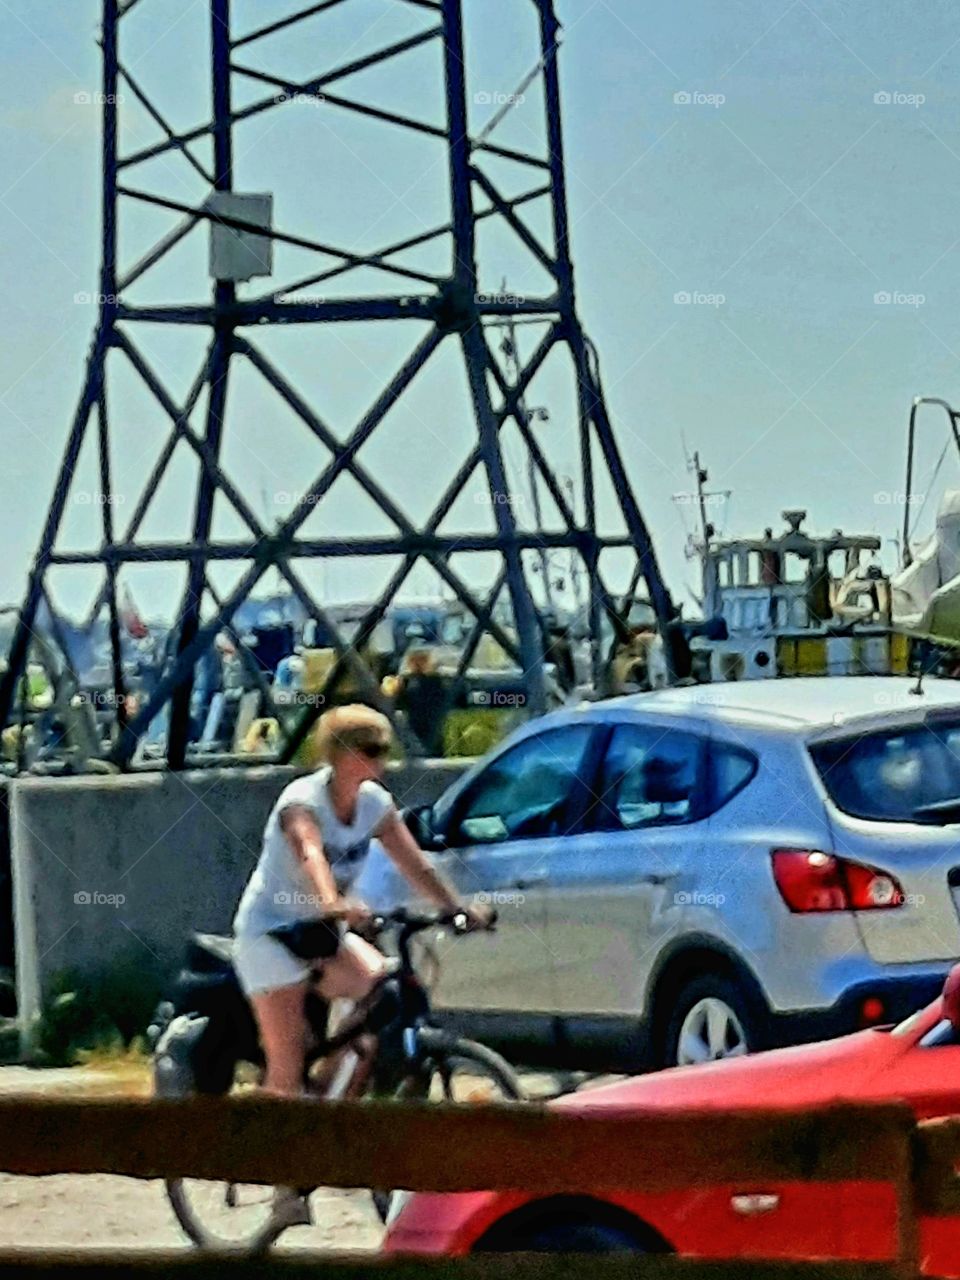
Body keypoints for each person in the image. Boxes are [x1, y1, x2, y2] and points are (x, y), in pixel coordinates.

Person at [232, 702, 486, 1097]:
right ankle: (266, 1143)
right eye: (371, 749)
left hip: (323, 930)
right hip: (272, 931)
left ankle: (330, 1100)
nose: (383, 758)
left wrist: (456, 907)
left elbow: (416, 865)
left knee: (382, 992)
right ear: (341, 754)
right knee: (287, 1063)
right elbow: (310, 853)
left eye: (386, 748)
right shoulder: (303, 801)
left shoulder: (374, 804)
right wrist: (334, 902)